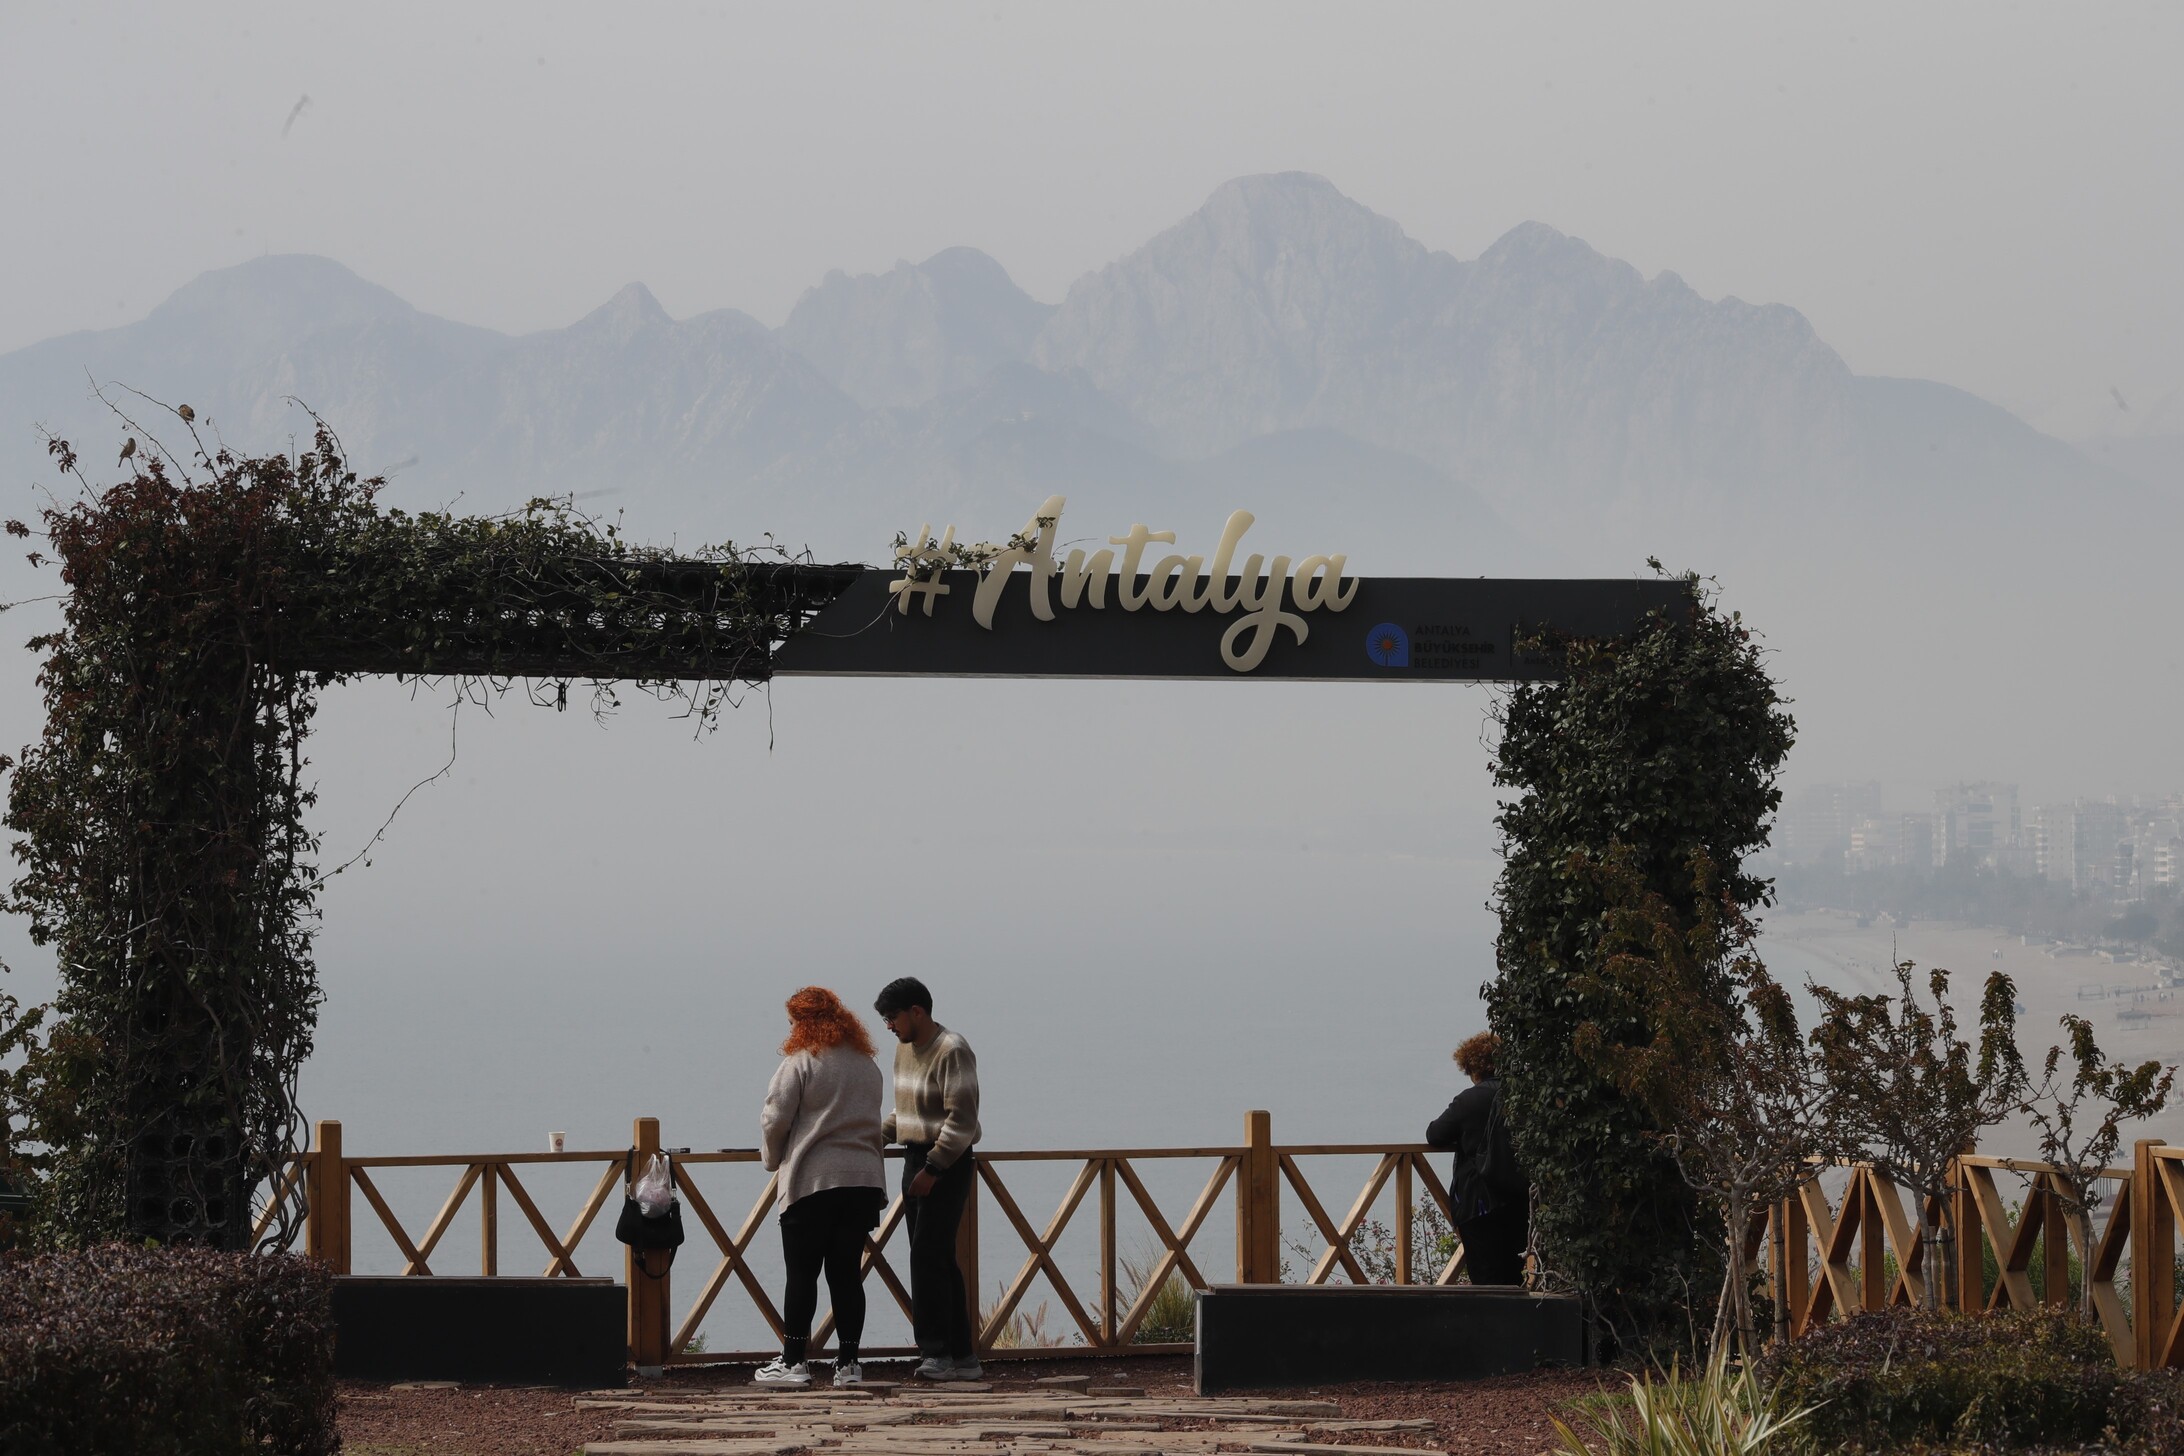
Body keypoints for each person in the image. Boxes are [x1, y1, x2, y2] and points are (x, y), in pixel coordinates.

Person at [754, 987, 887, 1389]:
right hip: (862, 1181)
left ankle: (794, 1361)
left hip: (813, 1181)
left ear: (803, 1023)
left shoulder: (801, 1062)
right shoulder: (867, 1065)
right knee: (846, 1275)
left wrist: (772, 1159)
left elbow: (774, 1118)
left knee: (802, 1274)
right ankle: (849, 1364)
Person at [873, 975, 982, 1381]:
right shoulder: (904, 1050)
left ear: (916, 1011)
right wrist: (872, 1138)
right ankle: (962, 1356)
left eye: (892, 1017)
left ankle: (936, 1353)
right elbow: (903, 1111)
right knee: (937, 1258)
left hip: (944, 1163)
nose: (889, 1026)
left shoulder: (952, 1049)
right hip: (914, 1157)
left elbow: (962, 1119)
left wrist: (934, 1168)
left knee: (926, 1257)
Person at [1425, 1031, 1530, 1287]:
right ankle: (1512, 1313)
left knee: (1485, 1278)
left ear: (1471, 1068)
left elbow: (1435, 1134)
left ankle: (1491, 1314)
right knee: (1513, 1274)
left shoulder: (1468, 1100)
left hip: (1479, 1202)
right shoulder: (1522, 1096)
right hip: (1518, 1197)